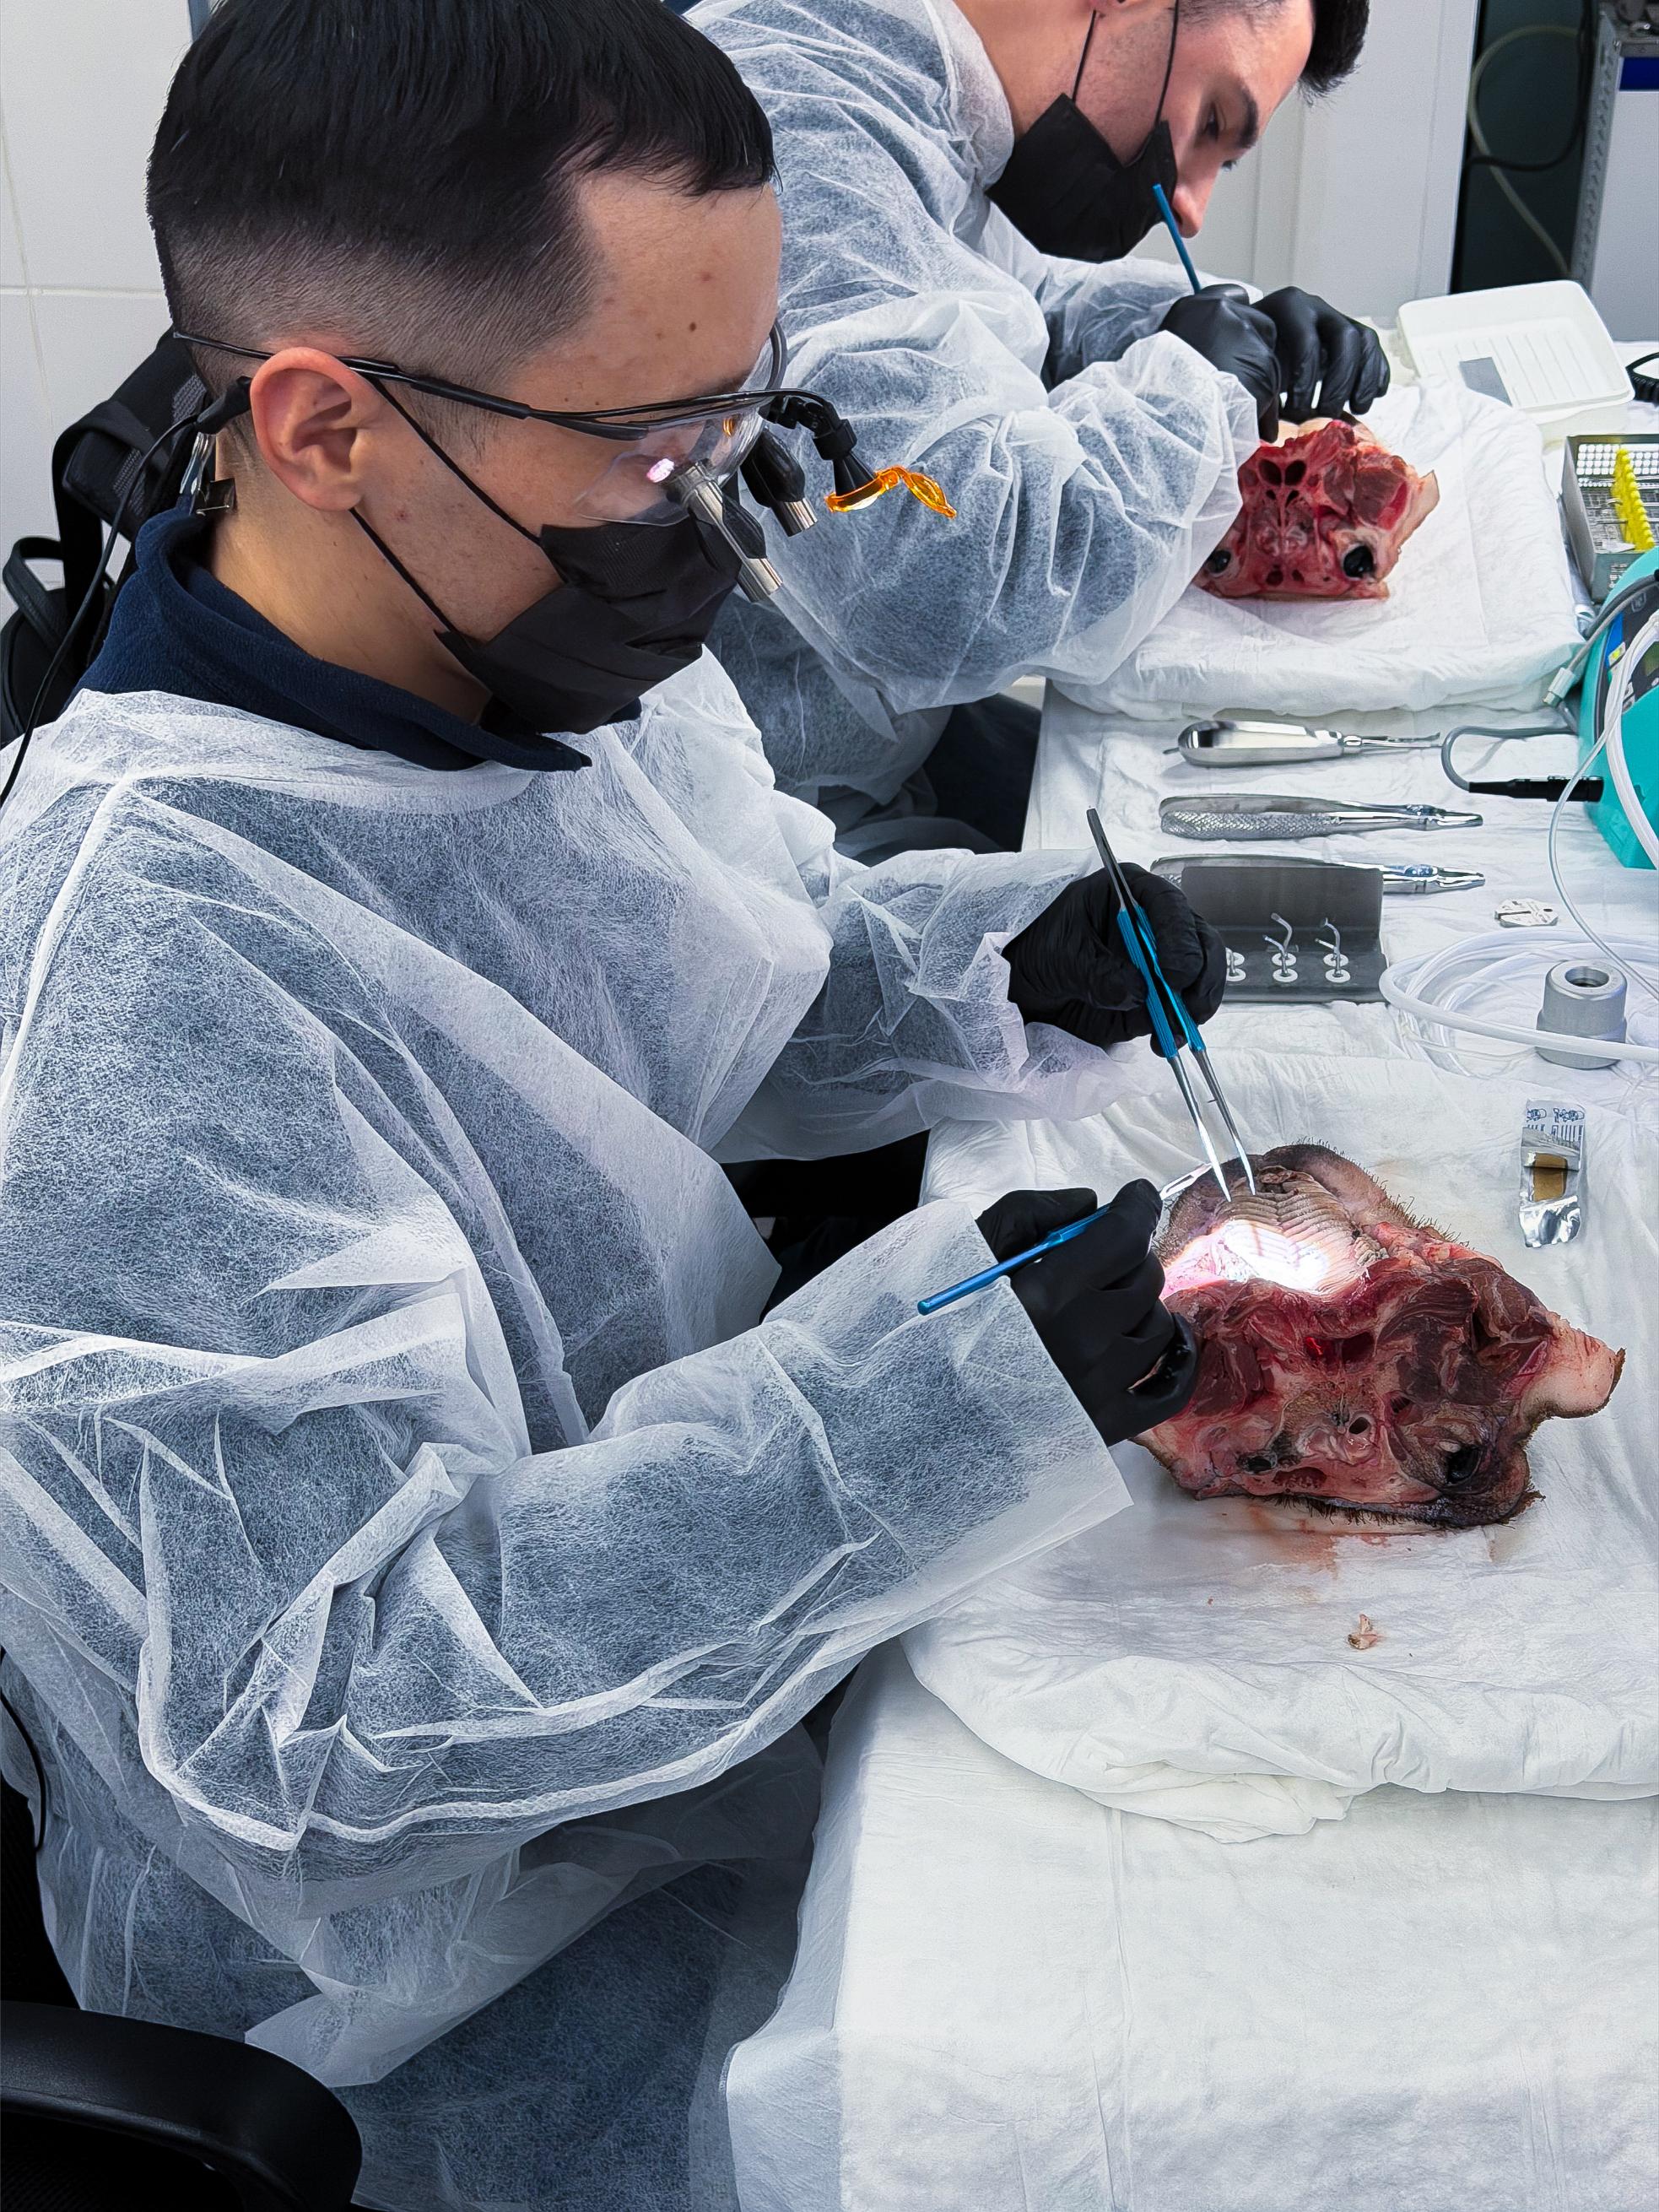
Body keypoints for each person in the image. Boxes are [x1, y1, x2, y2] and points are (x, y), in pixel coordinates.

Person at [0, 7, 1225, 2209]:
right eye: (659, 446)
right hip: (456, 2001)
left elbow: (722, 971)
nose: (731, 511)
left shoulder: (511, 654)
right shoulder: (138, 985)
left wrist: (994, 964)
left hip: (723, 1685)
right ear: (325, 426)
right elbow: (325, 1723)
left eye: (751, 409)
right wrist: (901, 1430)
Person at [693, 0, 1388, 856]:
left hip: (876, 745)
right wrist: (1192, 387)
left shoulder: (914, 93)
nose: (1192, 206)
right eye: (1211, 123)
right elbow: (932, 577)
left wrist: (1214, 327)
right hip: (765, 827)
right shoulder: (803, 125)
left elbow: (1016, 316)